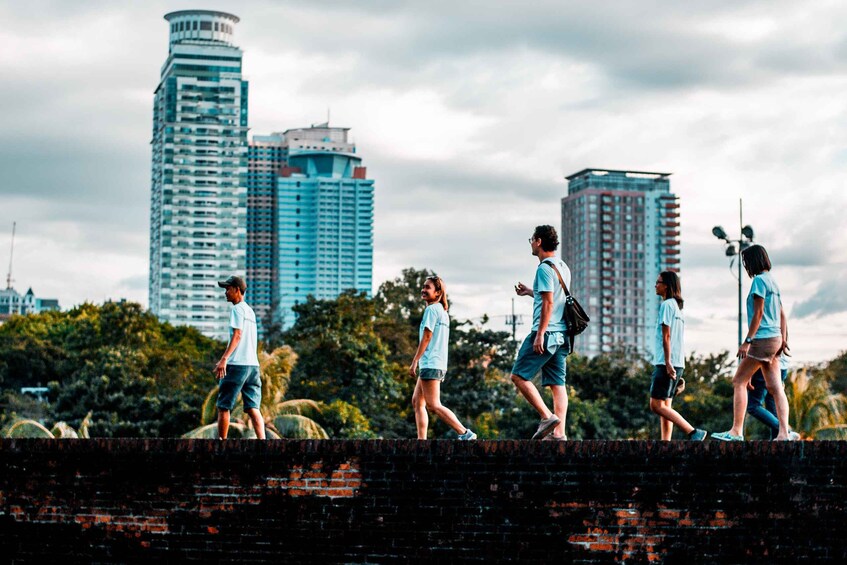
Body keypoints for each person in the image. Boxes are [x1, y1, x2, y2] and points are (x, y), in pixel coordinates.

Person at [712, 245, 792, 441]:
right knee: (775, 388)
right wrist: (784, 339)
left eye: (746, 263)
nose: (745, 266)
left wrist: (747, 341)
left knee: (739, 381)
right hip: (775, 339)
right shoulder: (773, 281)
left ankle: (736, 431)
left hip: (762, 339)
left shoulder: (758, 281)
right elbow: (782, 314)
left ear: (752, 262)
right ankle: (784, 433)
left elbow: (758, 313)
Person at [511, 225, 570, 440]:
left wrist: (539, 334)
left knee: (518, 376)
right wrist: (529, 292)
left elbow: (548, 302)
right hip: (562, 336)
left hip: (546, 333)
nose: (531, 243)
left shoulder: (544, 268)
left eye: (532, 239)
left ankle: (546, 416)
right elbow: (552, 297)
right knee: (558, 384)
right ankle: (559, 433)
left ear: (538, 241)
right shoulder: (562, 266)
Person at [410, 276, 477, 440]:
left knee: (433, 405)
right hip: (436, 363)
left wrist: (415, 361)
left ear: (438, 292)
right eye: (423, 287)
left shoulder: (432, 310)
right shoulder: (442, 311)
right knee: (417, 402)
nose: (423, 290)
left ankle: (464, 433)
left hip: (430, 363)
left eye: (428, 288)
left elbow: (427, 336)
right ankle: (421, 440)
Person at [648, 271, 707, 441]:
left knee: (656, 405)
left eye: (658, 282)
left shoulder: (667, 305)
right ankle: (665, 442)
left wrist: (667, 363)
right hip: (678, 362)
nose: (655, 285)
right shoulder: (677, 308)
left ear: (666, 285)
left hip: (666, 362)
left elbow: (666, 336)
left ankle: (692, 432)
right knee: (666, 405)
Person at [214, 275, 266, 440]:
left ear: (237, 290)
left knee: (223, 405)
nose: (226, 293)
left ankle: (221, 443)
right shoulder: (250, 311)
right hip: (253, 366)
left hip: (237, 364)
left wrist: (224, 359)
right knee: (252, 407)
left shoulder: (237, 309)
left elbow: (237, 335)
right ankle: (262, 441)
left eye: (228, 289)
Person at [746, 354, 800, 440]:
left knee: (753, 405)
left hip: (764, 364)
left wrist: (749, 370)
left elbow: (759, 346)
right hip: (782, 365)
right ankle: (779, 438)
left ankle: (786, 431)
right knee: (773, 406)